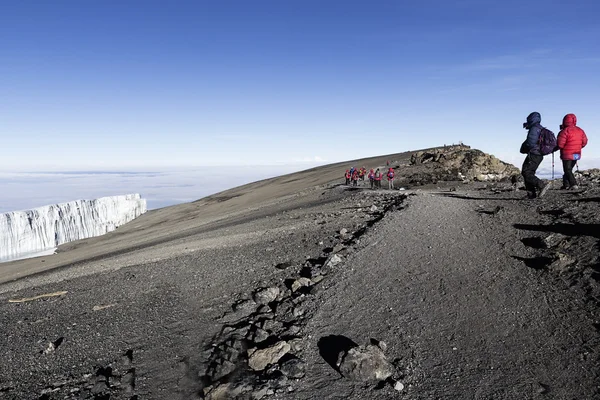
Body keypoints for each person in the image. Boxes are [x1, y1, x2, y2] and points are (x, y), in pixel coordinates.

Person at [520, 112, 551, 199]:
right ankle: (531, 194)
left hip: (534, 154)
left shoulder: (534, 128)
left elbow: (530, 143)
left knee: (526, 172)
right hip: (538, 154)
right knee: (529, 172)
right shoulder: (540, 128)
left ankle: (541, 185)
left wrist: (524, 148)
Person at [557, 113, 588, 190]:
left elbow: (560, 144)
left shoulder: (565, 131)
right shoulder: (580, 130)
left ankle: (573, 184)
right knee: (569, 169)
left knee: (567, 169)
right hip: (576, 153)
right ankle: (566, 184)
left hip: (567, 154)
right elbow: (584, 142)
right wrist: (578, 147)